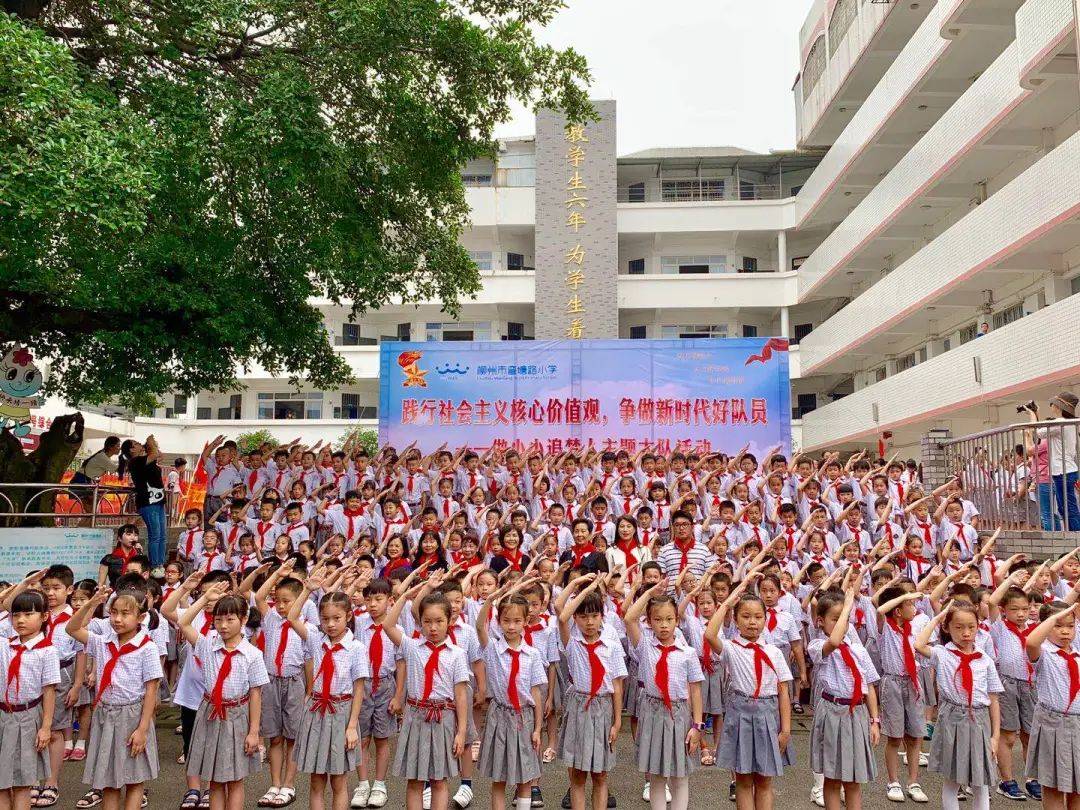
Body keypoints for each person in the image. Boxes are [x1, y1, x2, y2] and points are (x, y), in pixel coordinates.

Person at [66, 585, 161, 810]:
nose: (117, 619)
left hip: (132, 715)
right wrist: (92, 603)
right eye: (113, 612)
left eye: (125, 614)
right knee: (108, 779)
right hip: (105, 714)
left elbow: (151, 690)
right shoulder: (102, 642)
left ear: (141, 617)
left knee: (134, 777)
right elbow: (72, 628)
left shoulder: (147, 648)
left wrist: (142, 729)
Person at [382, 582, 470, 810]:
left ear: (450, 621)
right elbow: (388, 625)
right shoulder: (412, 647)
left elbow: (461, 695)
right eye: (427, 621)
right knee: (414, 779)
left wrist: (461, 732)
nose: (433, 627)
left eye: (439, 621)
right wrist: (404, 597)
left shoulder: (457, 654)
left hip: (444, 718)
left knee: (439, 779)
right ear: (419, 622)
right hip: (416, 716)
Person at [178, 587, 267, 810]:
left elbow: (256, 693)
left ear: (244, 619)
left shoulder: (252, 654)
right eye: (218, 620)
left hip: (237, 715)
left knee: (236, 779)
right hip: (210, 714)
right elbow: (184, 623)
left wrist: (254, 732)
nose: (224, 625)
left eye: (230, 619)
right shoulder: (208, 645)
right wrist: (205, 599)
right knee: (215, 779)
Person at [287, 567, 369, 810]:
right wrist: (307, 590)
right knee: (316, 779)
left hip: (341, 712)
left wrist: (352, 726)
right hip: (316, 712)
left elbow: (359, 689)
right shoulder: (315, 638)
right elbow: (292, 617)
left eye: (337, 618)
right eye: (325, 619)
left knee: (339, 780)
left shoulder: (356, 648)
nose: (330, 624)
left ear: (349, 617)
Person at [622, 579, 704, 810]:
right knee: (657, 773)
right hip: (652, 711)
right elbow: (629, 617)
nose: (664, 625)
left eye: (669, 619)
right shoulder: (645, 646)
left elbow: (696, 689)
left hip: (679, 714)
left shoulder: (687, 652)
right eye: (657, 620)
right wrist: (650, 593)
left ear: (677, 620)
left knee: (680, 775)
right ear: (649, 622)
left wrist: (697, 726)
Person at [914, 600, 1001, 810]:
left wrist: (995, 736)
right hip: (950, 718)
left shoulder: (985, 660)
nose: (966, 633)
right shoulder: (943, 654)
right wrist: (937, 617)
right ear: (947, 627)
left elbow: (994, 699)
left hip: (979, 720)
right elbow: (918, 644)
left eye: (971, 627)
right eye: (958, 627)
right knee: (952, 779)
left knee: (980, 781)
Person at [0, 590, 60, 810]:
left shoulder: (48, 651)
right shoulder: (5, 644)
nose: (21, 620)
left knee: (23, 782)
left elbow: (49, 691)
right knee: (1, 781)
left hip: (27, 718)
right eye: (16, 615)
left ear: (44, 616)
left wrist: (46, 727)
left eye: (28, 614)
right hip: (2, 716)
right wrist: (22, 585)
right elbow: (3, 603)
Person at [118, 436, 168, 577]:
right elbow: (155, 453)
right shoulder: (135, 461)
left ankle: (161, 564)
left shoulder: (145, 460)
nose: (139, 443)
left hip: (158, 501)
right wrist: (150, 440)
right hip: (147, 502)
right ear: (131, 450)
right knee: (155, 535)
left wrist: (149, 445)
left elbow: (159, 454)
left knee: (162, 535)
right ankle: (154, 565)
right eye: (135, 443)